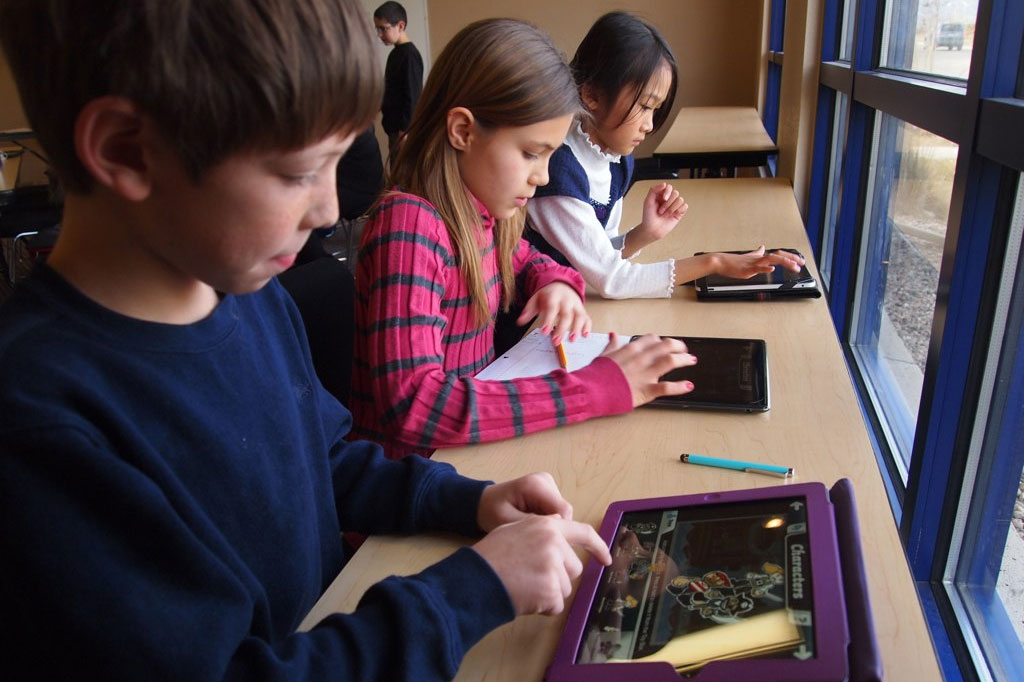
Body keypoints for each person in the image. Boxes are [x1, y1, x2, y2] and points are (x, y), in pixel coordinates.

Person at [0, 1, 613, 679]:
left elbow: (324, 461)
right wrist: (471, 593)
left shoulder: (251, 297)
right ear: (126, 149)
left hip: (334, 619)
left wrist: (464, 500)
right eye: (298, 172)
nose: (329, 209)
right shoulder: (39, 423)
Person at [350, 18, 695, 460]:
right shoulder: (410, 227)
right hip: (412, 479)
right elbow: (414, 404)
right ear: (463, 131)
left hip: (463, 455)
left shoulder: (480, 213)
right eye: (531, 153)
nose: (545, 176)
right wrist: (593, 388)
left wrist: (553, 281)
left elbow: (526, 257)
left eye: (550, 154)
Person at [525, 11, 805, 300]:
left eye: (655, 110)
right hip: (531, 323)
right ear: (592, 94)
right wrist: (714, 262)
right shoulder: (557, 172)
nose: (649, 125)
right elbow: (612, 280)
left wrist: (644, 234)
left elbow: (599, 255)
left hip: (570, 307)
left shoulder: (616, 161)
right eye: (645, 106)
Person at [373, 1, 423, 157]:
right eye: (377, 29)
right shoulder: (395, 54)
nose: (379, 34)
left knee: (403, 177)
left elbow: (413, 96)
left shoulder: (410, 55)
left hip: (403, 133)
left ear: (400, 26)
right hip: (393, 129)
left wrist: (405, 131)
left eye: (383, 28)